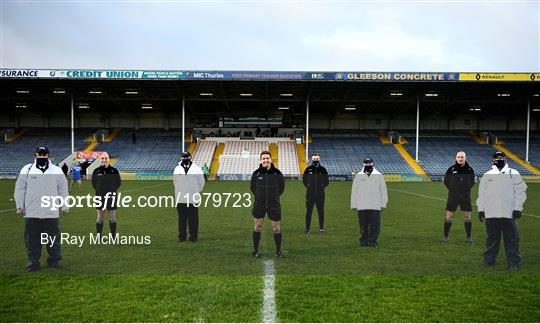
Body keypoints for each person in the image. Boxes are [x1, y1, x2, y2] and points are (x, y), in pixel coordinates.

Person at [14, 146, 69, 272]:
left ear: (48, 156)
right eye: (40, 155)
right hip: (31, 212)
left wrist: (65, 205)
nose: (42, 157)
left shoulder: (56, 170)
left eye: (44, 155)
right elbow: (20, 189)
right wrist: (19, 206)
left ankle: (54, 261)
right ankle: (33, 262)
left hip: (51, 213)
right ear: (35, 156)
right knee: (32, 239)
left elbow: (63, 189)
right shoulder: (27, 170)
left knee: (53, 239)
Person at [477, 151, 527, 270]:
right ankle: (489, 260)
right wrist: (481, 209)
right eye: (496, 158)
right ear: (492, 160)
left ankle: (513, 262)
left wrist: (518, 208)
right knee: (492, 239)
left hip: (509, 213)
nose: (498, 159)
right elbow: (482, 194)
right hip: (491, 213)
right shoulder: (487, 175)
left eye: (501, 157)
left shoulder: (513, 173)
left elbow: (521, 191)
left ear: (505, 159)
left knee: (512, 239)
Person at [250, 151, 285, 259]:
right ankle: (255, 250)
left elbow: (282, 188)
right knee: (257, 226)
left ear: (271, 159)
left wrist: (273, 197)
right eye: (263, 158)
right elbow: (253, 188)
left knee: (276, 228)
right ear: (261, 160)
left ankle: (278, 251)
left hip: (274, 204)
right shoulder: (256, 174)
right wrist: (260, 196)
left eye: (267, 158)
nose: (265, 160)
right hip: (259, 204)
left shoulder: (277, 173)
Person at [350, 158, 388, 247]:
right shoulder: (359, 175)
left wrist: (383, 204)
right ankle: (364, 241)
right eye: (366, 163)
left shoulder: (379, 175)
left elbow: (383, 190)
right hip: (362, 205)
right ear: (363, 164)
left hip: (375, 205)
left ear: (372, 164)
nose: (367, 165)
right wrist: (354, 204)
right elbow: (354, 191)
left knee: (375, 225)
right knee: (363, 225)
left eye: (369, 163)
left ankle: (372, 241)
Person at [442, 151, 476, 244]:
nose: (460, 159)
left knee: (467, 217)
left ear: (465, 158)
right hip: (453, 197)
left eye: (462, 157)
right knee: (449, 217)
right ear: (456, 158)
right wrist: (453, 190)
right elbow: (446, 182)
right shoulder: (451, 169)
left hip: (465, 197)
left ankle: (469, 238)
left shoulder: (470, 170)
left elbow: (472, 182)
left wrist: (465, 189)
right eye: (458, 157)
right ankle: (445, 237)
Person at [173, 152, 205, 242]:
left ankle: (193, 237)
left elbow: (201, 183)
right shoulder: (177, 169)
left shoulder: (197, 169)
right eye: (183, 157)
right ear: (181, 158)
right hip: (180, 198)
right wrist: (181, 190)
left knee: (193, 219)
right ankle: (182, 237)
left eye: (187, 157)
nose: (185, 159)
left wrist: (194, 191)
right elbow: (175, 182)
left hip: (193, 198)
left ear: (190, 157)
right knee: (181, 219)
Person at [92, 153, 121, 238]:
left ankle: (113, 236)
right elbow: (94, 184)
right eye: (102, 158)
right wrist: (100, 191)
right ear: (100, 160)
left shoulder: (114, 170)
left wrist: (111, 190)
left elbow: (118, 183)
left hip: (111, 197)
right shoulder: (96, 171)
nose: (104, 160)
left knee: (112, 217)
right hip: (100, 197)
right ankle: (99, 236)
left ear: (108, 159)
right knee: (100, 217)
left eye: (106, 158)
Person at [302, 153, 329, 234]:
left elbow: (327, 181)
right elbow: (304, 180)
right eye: (314, 159)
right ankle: (307, 229)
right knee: (308, 212)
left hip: (320, 194)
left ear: (319, 160)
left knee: (321, 211)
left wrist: (321, 186)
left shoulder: (323, 169)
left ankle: (321, 228)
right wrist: (309, 186)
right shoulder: (308, 169)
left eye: (317, 159)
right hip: (310, 194)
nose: (315, 161)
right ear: (311, 160)